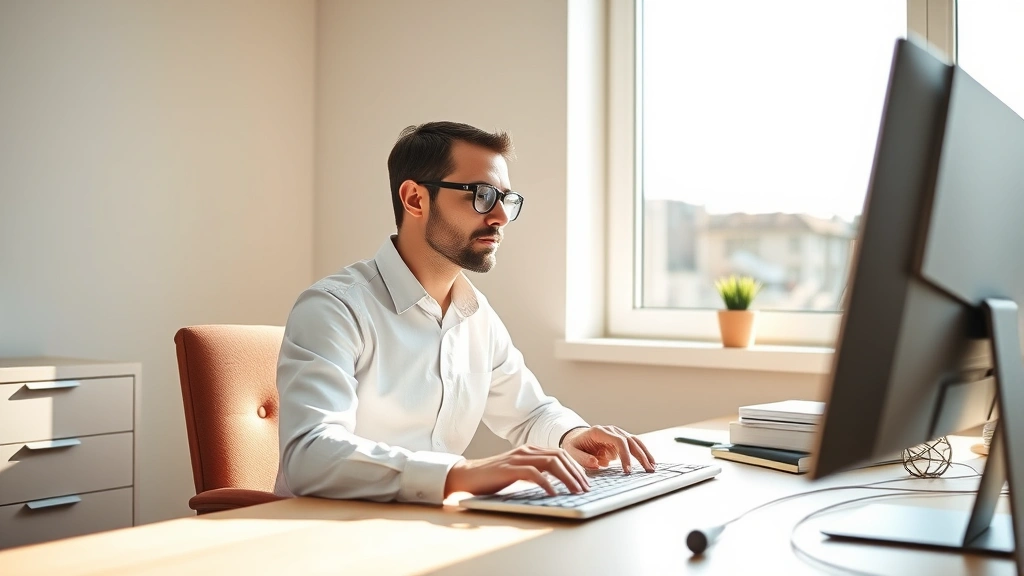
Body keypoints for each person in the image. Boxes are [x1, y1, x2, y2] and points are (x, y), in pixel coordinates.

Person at [274, 121, 656, 505]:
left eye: (505, 198)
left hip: (432, 526)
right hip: (331, 534)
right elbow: (310, 455)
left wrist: (571, 435)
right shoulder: (334, 308)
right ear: (415, 200)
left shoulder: (475, 314)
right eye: (483, 194)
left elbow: (528, 413)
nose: (501, 216)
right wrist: (461, 474)